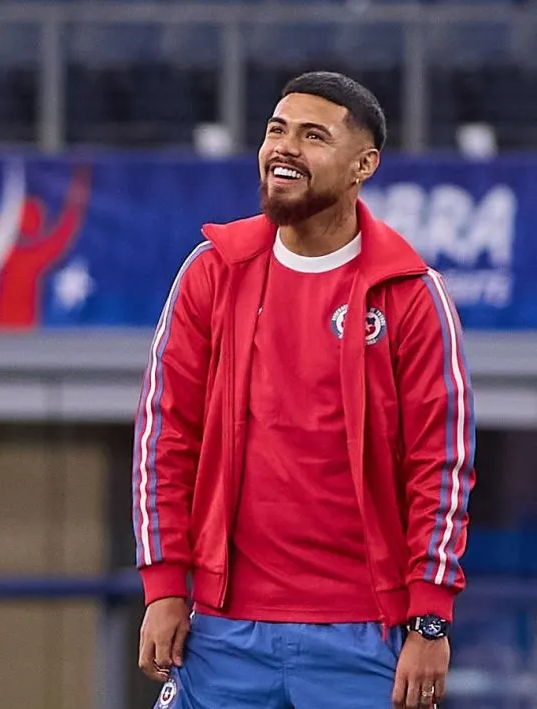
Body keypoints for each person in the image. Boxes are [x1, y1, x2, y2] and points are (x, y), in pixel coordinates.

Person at [132, 71, 476, 709]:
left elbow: (442, 466)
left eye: (313, 136)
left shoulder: (411, 294)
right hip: (218, 632)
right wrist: (163, 585)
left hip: (366, 639)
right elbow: (164, 437)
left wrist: (430, 621)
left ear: (362, 165)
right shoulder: (213, 272)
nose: (284, 148)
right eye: (275, 130)